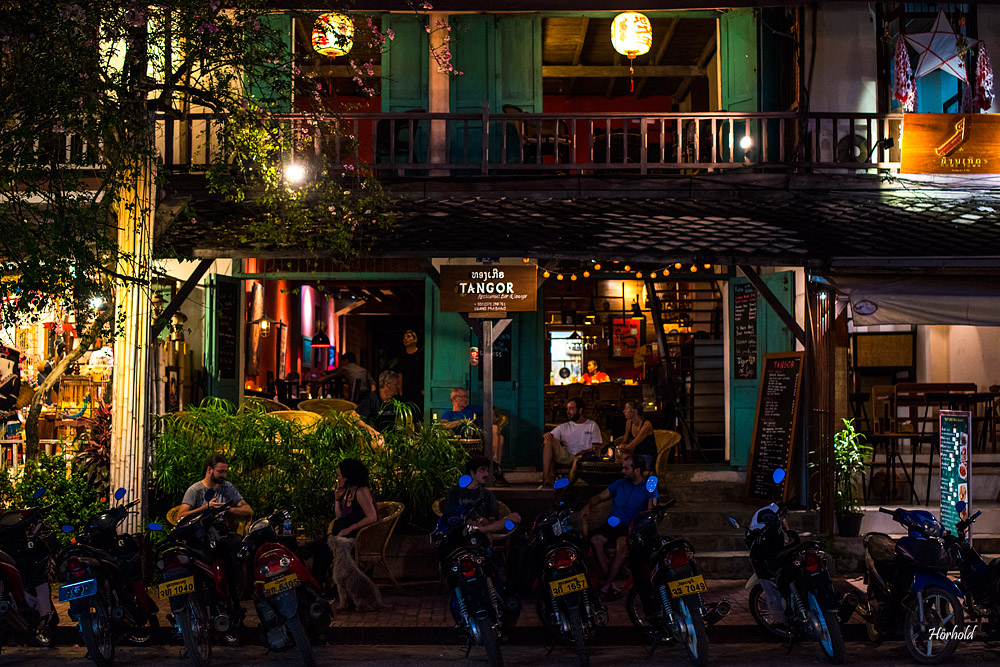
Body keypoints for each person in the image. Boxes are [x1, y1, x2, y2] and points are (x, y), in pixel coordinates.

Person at [177, 454, 253, 615]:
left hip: (221, 533)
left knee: (241, 547)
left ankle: (234, 596)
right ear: (209, 470)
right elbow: (180, 516)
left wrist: (229, 509)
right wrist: (205, 508)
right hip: (200, 534)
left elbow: (248, 510)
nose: (224, 476)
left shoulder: (227, 487)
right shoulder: (196, 490)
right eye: (221, 472)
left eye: (225, 472)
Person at [580, 455, 658, 601]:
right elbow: (599, 497)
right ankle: (612, 585)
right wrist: (588, 506)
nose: (622, 471)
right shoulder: (620, 483)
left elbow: (651, 510)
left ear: (637, 470)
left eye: (626, 468)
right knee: (595, 540)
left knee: (621, 546)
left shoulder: (648, 487)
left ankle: (607, 586)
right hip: (612, 523)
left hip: (630, 526)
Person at [306, 458, 378, 595]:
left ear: (347, 477)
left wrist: (350, 529)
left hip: (355, 536)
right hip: (340, 534)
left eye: (339, 475)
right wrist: (337, 500)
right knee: (318, 547)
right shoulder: (348, 492)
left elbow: (372, 517)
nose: (338, 478)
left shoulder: (361, 492)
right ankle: (320, 585)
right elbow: (339, 517)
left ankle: (317, 587)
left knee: (321, 548)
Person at [444, 456, 520, 541]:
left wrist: (486, 521)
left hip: (485, 528)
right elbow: (450, 515)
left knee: (515, 517)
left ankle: (481, 531)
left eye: (487, 470)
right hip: (463, 528)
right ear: (472, 472)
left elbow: (492, 519)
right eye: (482, 470)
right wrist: (471, 522)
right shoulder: (456, 491)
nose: (486, 474)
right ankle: (482, 532)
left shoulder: (487, 494)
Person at [540, 398, 603, 488]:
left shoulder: (592, 425)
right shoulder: (565, 426)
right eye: (567, 409)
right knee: (548, 440)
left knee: (577, 460)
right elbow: (548, 437)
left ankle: (563, 488)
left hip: (583, 457)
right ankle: (545, 479)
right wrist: (546, 435)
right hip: (567, 455)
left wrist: (584, 453)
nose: (568, 411)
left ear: (580, 410)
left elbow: (597, 447)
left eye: (571, 408)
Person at [615, 400, 657, 471]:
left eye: (626, 408)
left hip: (646, 455)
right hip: (635, 454)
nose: (624, 411)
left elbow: (632, 445)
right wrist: (620, 447)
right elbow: (625, 441)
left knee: (625, 459)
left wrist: (620, 448)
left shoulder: (646, 425)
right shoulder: (629, 423)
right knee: (618, 457)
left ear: (635, 411)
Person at [394, 329, 424, 417]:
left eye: (408, 337)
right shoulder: (402, 357)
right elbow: (400, 373)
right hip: (406, 391)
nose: (406, 339)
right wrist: (400, 389)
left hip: (419, 391)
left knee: (419, 414)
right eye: (404, 338)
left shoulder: (421, 355)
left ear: (415, 340)